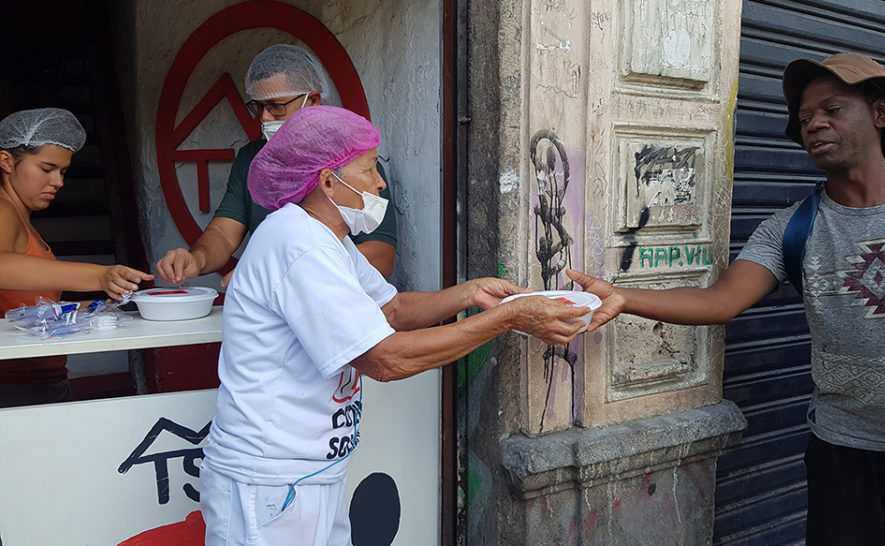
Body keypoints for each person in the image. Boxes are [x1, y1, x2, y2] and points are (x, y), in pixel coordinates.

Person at [569, 53, 885, 545]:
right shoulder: (792, 228)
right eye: (805, 118)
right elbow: (720, 300)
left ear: (879, 113)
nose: (815, 125)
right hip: (844, 451)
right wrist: (622, 296)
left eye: (832, 109)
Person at [199, 105, 588, 546]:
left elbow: (392, 308)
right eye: (368, 169)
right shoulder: (297, 243)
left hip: (308, 475)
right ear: (328, 181)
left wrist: (471, 293)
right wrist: (507, 318)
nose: (380, 182)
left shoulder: (330, 240)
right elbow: (383, 359)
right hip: (268, 482)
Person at [156, 44, 397, 285]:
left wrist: (272, 272)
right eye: (258, 106)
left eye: (275, 106)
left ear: (312, 101)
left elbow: (381, 256)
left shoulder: (354, 164)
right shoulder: (251, 160)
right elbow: (223, 234)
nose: (264, 117)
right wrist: (196, 259)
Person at [0, 108, 153, 406]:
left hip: (36, 379)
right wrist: (99, 275)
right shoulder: (3, 212)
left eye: (63, 172)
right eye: (46, 169)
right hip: (13, 383)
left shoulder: (20, 219)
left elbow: (19, 304)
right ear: (6, 161)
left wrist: (84, 308)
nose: (58, 182)